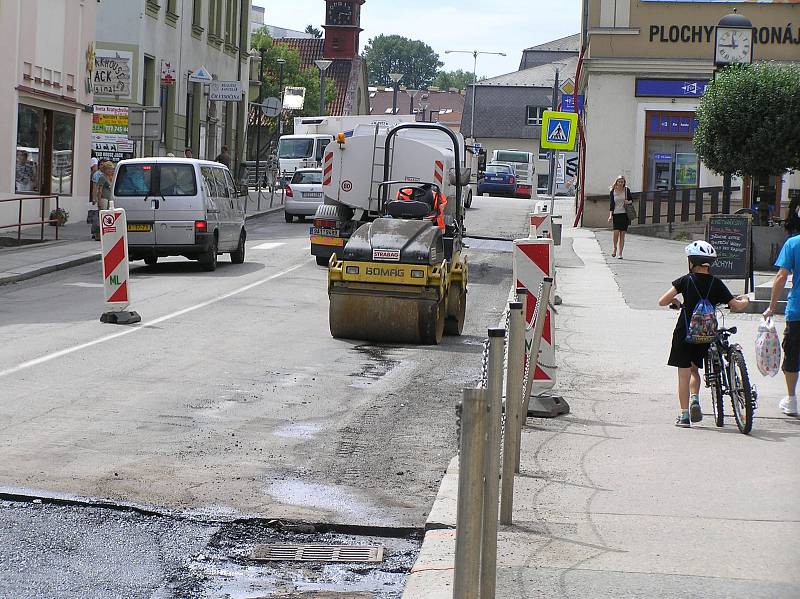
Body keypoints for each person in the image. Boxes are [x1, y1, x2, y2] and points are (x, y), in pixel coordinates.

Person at [658, 241, 749, 427]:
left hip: (684, 334)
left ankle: (684, 416)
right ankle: (695, 399)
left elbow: (662, 301)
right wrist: (746, 299)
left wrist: (676, 300)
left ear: (691, 262)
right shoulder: (716, 283)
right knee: (695, 371)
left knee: (683, 374)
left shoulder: (685, 280)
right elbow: (736, 305)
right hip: (706, 335)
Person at [763, 215, 800, 417]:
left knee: (793, 354)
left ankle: (792, 399)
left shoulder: (793, 244)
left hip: (797, 311)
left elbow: (781, 276)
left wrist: (772, 307)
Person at [607, 175, 633, 259]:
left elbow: (631, 200)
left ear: (624, 182)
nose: (620, 183)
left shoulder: (626, 190)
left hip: (625, 215)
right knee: (616, 233)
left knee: (622, 234)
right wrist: (610, 215)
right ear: (616, 182)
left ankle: (620, 253)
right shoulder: (612, 191)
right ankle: (614, 248)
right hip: (616, 214)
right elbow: (611, 204)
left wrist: (628, 201)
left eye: (622, 181)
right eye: (619, 181)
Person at [87, 157, 100, 240]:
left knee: (95, 215)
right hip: (95, 197)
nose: (95, 167)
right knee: (95, 216)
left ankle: (96, 232)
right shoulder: (95, 174)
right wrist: (94, 198)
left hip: (95, 197)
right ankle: (96, 233)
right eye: (94, 166)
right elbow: (95, 188)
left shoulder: (96, 174)